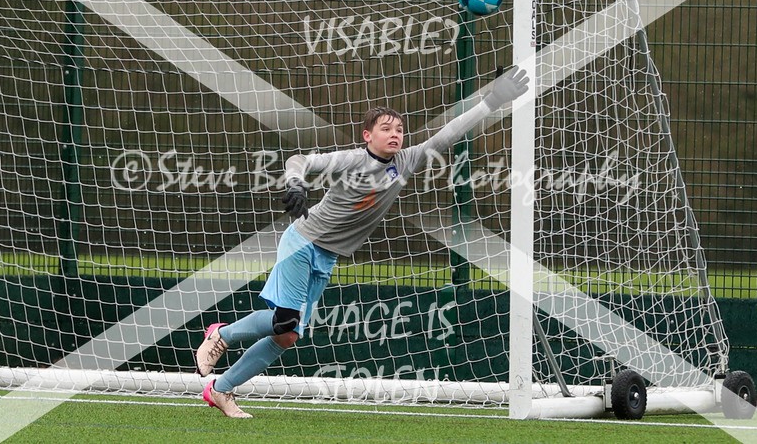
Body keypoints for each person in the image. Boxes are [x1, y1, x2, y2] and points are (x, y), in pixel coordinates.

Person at [196, 65, 529, 418]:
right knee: (285, 324)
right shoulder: (352, 160)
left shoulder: (405, 161)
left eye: (400, 129)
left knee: (286, 337)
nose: (395, 134)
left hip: (326, 256)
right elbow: (301, 160)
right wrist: (294, 182)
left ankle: (221, 389)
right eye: (386, 128)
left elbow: (447, 135)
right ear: (367, 135)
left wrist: (491, 101)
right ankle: (223, 334)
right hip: (302, 242)